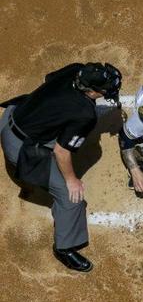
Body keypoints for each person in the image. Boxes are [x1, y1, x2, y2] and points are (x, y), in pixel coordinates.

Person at [0, 62, 122, 272]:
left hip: (13, 113)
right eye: (104, 89)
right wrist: (71, 180)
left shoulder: (76, 69)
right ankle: (65, 249)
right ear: (92, 91)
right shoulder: (85, 114)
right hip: (20, 148)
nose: (109, 90)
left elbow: (49, 78)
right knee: (70, 197)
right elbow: (61, 151)